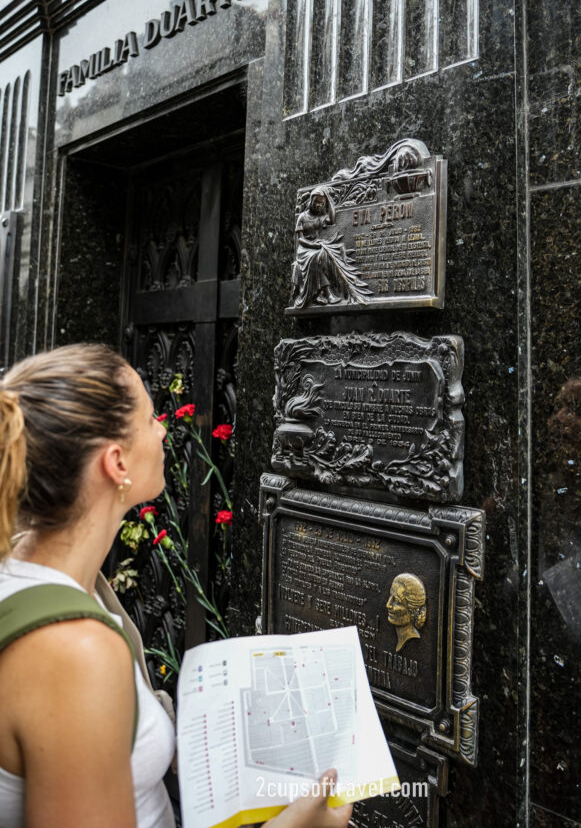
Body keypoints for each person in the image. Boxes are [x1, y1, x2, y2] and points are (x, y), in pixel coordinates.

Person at [0, 344, 352, 828]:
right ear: (116, 463)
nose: (164, 429)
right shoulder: (75, 651)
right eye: (149, 418)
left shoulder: (40, 579)